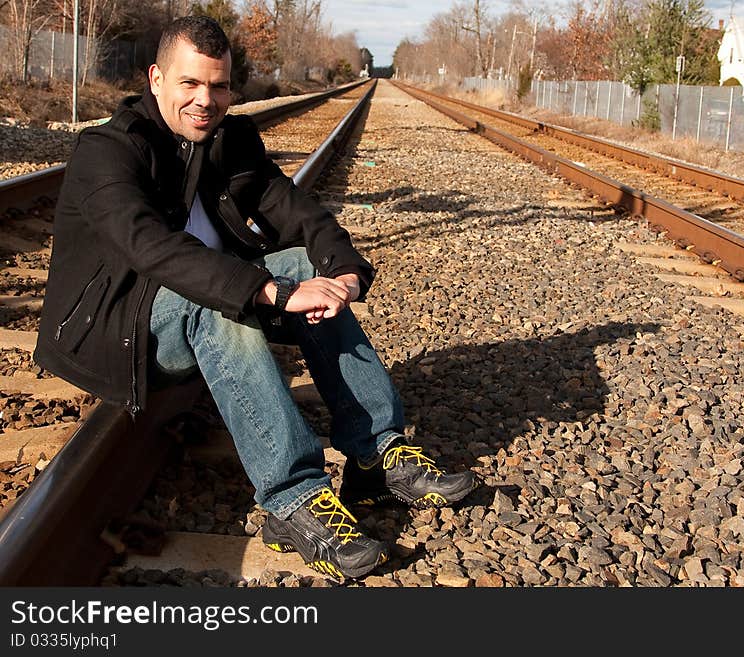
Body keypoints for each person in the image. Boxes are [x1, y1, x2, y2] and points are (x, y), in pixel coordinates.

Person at [35, 15, 478, 582]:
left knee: (302, 265)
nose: (205, 100)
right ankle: (294, 498)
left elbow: (292, 207)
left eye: (218, 86)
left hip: (200, 296)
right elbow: (149, 246)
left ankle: (374, 452)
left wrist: (340, 271)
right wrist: (266, 291)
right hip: (122, 321)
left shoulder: (228, 139)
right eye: (190, 84)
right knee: (223, 302)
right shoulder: (109, 149)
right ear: (155, 79)